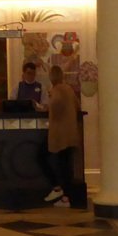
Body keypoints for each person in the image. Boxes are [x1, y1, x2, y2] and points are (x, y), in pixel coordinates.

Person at [44, 65, 82, 207]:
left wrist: (48, 106)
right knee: (67, 165)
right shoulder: (69, 89)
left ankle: (61, 193)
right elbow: (77, 106)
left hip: (59, 134)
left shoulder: (56, 91)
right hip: (70, 133)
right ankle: (67, 196)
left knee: (51, 160)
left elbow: (55, 105)